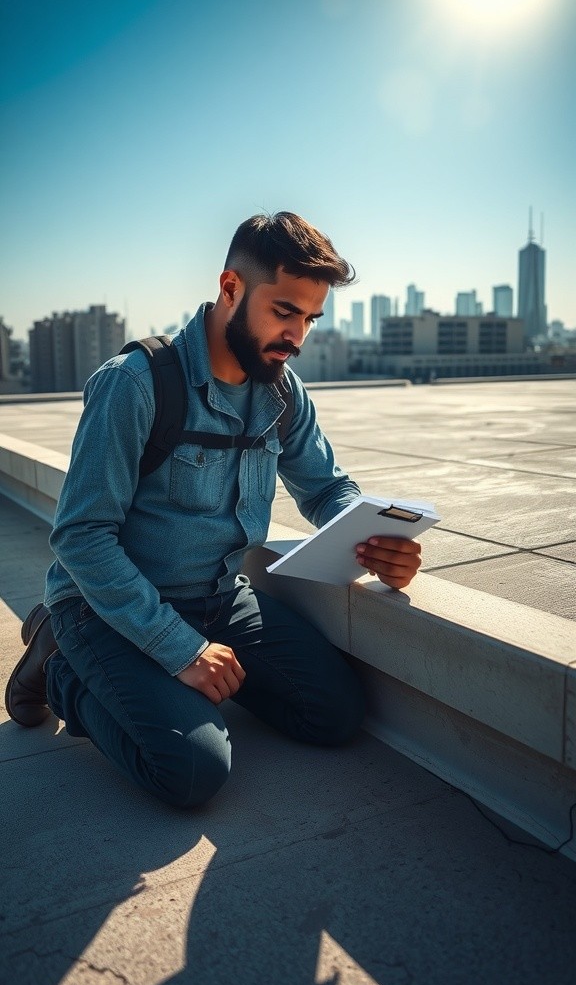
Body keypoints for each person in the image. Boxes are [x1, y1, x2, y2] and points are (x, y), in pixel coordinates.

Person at [6, 211, 422, 809]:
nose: (298, 337)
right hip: (107, 610)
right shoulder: (135, 383)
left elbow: (328, 488)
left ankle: (164, 687)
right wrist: (181, 652)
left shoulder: (281, 390)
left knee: (334, 715)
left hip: (222, 600)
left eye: (310, 318)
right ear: (230, 288)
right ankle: (62, 667)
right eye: (284, 312)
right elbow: (82, 538)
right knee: (194, 771)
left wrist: (373, 535)